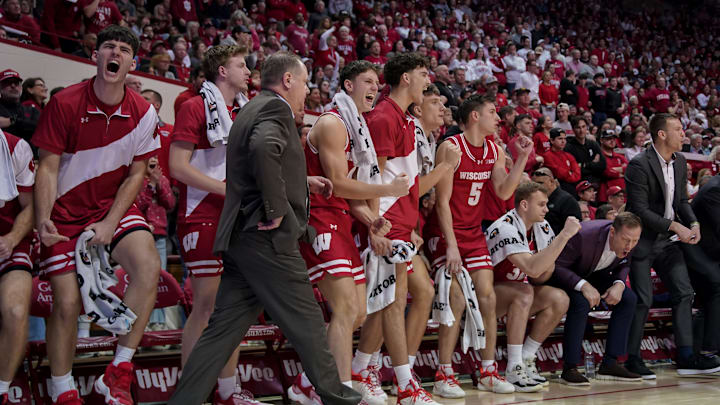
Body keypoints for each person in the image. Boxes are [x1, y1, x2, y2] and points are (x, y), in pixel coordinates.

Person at [169, 51, 361, 405]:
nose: (307, 90)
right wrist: (275, 207)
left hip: (241, 238)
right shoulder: (275, 109)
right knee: (309, 322)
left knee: (221, 333)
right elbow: (263, 148)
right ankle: (339, 399)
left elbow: (263, 158)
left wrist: (301, 183)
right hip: (266, 236)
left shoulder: (250, 108)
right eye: (304, 82)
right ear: (288, 81)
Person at [32, 25, 161, 405]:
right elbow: (48, 168)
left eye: (123, 48)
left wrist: (108, 222)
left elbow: (138, 174)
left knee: (148, 266)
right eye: (108, 46)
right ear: (96, 55)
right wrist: (43, 218)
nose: (115, 53)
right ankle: (62, 388)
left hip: (113, 208)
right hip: (65, 214)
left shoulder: (144, 112)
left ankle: (117, 371)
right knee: (67, 304)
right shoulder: (65, 103)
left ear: (132, 63)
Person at [291, 60, 409, 405]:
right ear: (347, 86)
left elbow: (346, 193)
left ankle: (306, 381)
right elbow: (338, 184)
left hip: (340, 218)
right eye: (367, 82)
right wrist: (388, 191)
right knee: (344, 309)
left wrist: (369, 218)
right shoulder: (332, 123)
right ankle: (337, 391)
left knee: (358, 311)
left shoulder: (357, 128)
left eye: (377, 83)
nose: (374, 88)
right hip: (318, 219)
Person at [169, 44, 267, 405]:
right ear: (222, 71)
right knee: (207, 305)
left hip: (238, 215)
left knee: (233, 307)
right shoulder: (195, 106)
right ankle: (190, 392)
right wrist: (226, 191)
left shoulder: (245, 110)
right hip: (202, 212)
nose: (248, 71)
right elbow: (177, 166)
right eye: (241, 65)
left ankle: (227, 391)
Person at [425, 94, 533, 394]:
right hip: (445, 233)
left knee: (487, 297)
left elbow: (503, 191)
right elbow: (442, 203)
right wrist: (451, 246)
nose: (498, 117)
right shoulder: (450, 148)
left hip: (473, 233)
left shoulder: (494, 150)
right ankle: (443, 373)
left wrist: (521, 158)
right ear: (475, 116)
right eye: (492, 111)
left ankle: (488, 371)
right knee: (457, 297)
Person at [350, 52, 439, 405]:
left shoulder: (402, 118)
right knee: (389, 303)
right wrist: (375, 226)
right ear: (405, 78)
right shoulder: (385, 116)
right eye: (422, 74)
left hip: (400, 223)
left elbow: (404, 182)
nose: (426, 80)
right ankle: (404, 385)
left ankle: (360, 370)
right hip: (385, 223)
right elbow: (371, 178)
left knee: (386, 302)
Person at [624, 113, 720, 378]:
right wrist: (674, 226)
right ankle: (632, 358)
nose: (683, 134)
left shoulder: (679, 163)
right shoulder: (638, 165)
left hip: (667, 242)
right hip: (641, 240)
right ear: (661, 134)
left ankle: (687, 356)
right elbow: (639, 210)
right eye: (678, 129)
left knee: (684, 292)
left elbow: (681, 202)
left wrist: (694, 224)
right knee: (643, 300)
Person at [484, 182, 579, 391]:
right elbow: (533, 269)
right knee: (524, 291)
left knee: (559, 298)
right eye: (542, 204)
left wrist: (543, 262)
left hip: (516, 294)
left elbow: (543, 275)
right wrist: (564, 236)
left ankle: (526, 358)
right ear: (524, 205)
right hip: (484, 298)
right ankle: (513, 367)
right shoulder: (505, 227)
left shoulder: (541, 226)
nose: (547, 209)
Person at [550, 213, 643, 385]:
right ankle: (569, 368)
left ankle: (610, 363)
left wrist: (619, 284)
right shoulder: (583, 236)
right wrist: (583, 285)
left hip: (594, 274)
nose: (630, 246)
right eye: (626, 240)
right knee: (581, 302)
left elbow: (625, 264)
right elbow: (557, 265)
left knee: (629, 298)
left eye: (635, 241)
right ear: (613, 232)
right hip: (565, 276)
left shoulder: (630, 238)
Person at [0, 129, 35, 404]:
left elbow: (30, 206)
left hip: (10, 242)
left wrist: (12, 238)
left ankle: (1, 390)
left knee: (15, 310)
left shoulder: (14, 147)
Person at [680, 175, 720, 358]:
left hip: (711, 252)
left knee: (710, 298)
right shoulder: (714, 190)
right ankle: (709, 349)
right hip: (696, 250)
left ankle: (702, 348)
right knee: (716, 289)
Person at [531, 167, 582, 235]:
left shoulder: (567, 201)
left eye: (540, 183)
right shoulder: (535, 200)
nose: (536, 187)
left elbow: (574, 229)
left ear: (552, 182)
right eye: (534, 184)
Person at [0, 70, 40, 150]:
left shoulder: (31, 110)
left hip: (29, 157)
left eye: (16, 83)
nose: (13, 85)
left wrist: (12, 121)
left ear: (21, 87)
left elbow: (39, 127)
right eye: (8, 82)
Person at [566, 117, 606, 187]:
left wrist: (585, 165)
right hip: (579, 184)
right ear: (573, 129)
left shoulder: (593, 144)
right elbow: (575, 170)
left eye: (583, 127)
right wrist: (593, 164)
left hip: (596, 182)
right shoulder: (568, 147)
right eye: (578, 128)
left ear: (587, 128)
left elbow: (602, 165)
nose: (581, 130)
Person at [542, 128, 581, 194]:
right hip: (557, 188)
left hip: (571, 186)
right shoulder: (547, 156)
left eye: (564, 139)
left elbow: (577, 174)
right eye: (560, 138)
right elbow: (557, 172)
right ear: (552, 140)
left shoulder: (569, 155)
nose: (563, 141)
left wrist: (568, 174)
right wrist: (569, 173)